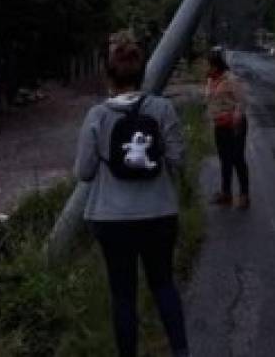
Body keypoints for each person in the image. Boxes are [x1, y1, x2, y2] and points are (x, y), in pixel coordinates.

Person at [74, 40, 189, 357]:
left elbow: (83, 172)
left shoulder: (97, 115)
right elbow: (179, 159)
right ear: (142, 77)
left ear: (109, 77)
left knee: (123, 295)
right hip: (159, 215)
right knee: (163, 284)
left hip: (111, 220)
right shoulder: (163, 108)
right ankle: (180, 350)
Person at [206, 48, 250, 208]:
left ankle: (244, 195)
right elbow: (211, 101)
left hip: (234, 125)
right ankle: (226, 193)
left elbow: (242, 101)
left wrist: (236, 117)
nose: (207, 69)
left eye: (209, 66)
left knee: (237, 158)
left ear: (216, 66)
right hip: (220, 125)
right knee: (224, 159)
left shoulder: (231, 79)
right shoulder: (211, 80)